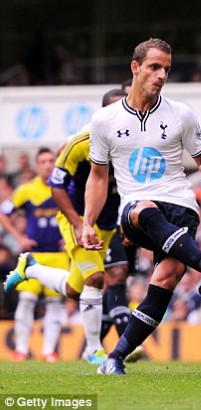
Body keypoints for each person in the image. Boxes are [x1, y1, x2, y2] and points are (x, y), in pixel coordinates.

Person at [81, 38, 201, 375]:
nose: (161, 74)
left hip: (181, 204)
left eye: (166, 68)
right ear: (135, 68)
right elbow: (97, 176)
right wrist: (88, 221)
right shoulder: (104, 119)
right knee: (140, 207)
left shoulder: (181, 113)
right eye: (154, 67)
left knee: (165, 280)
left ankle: (114, 358)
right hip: (137, 208)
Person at [4, 89, 127, 365]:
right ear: (102, 115)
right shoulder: (81, 143)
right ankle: (93, 349)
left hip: (105, 223)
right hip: (77, 218)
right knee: (95, 279)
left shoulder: (131, 142)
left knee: (74, 290)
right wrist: (78, 223)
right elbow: (55, 186)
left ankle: (30, 268)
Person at [0, 148, 68, 362]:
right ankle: (21, 349)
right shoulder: (26, 190)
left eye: (51, 161)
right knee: (27, 300)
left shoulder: (65, 188)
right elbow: (4, 213)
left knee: (55, 304)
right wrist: (19, 238)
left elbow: (80, 213)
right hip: (33, 257)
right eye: (43, 161)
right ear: (37, 165)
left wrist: (71, 237)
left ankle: (49, 351)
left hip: (58, 256)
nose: (48, 164)